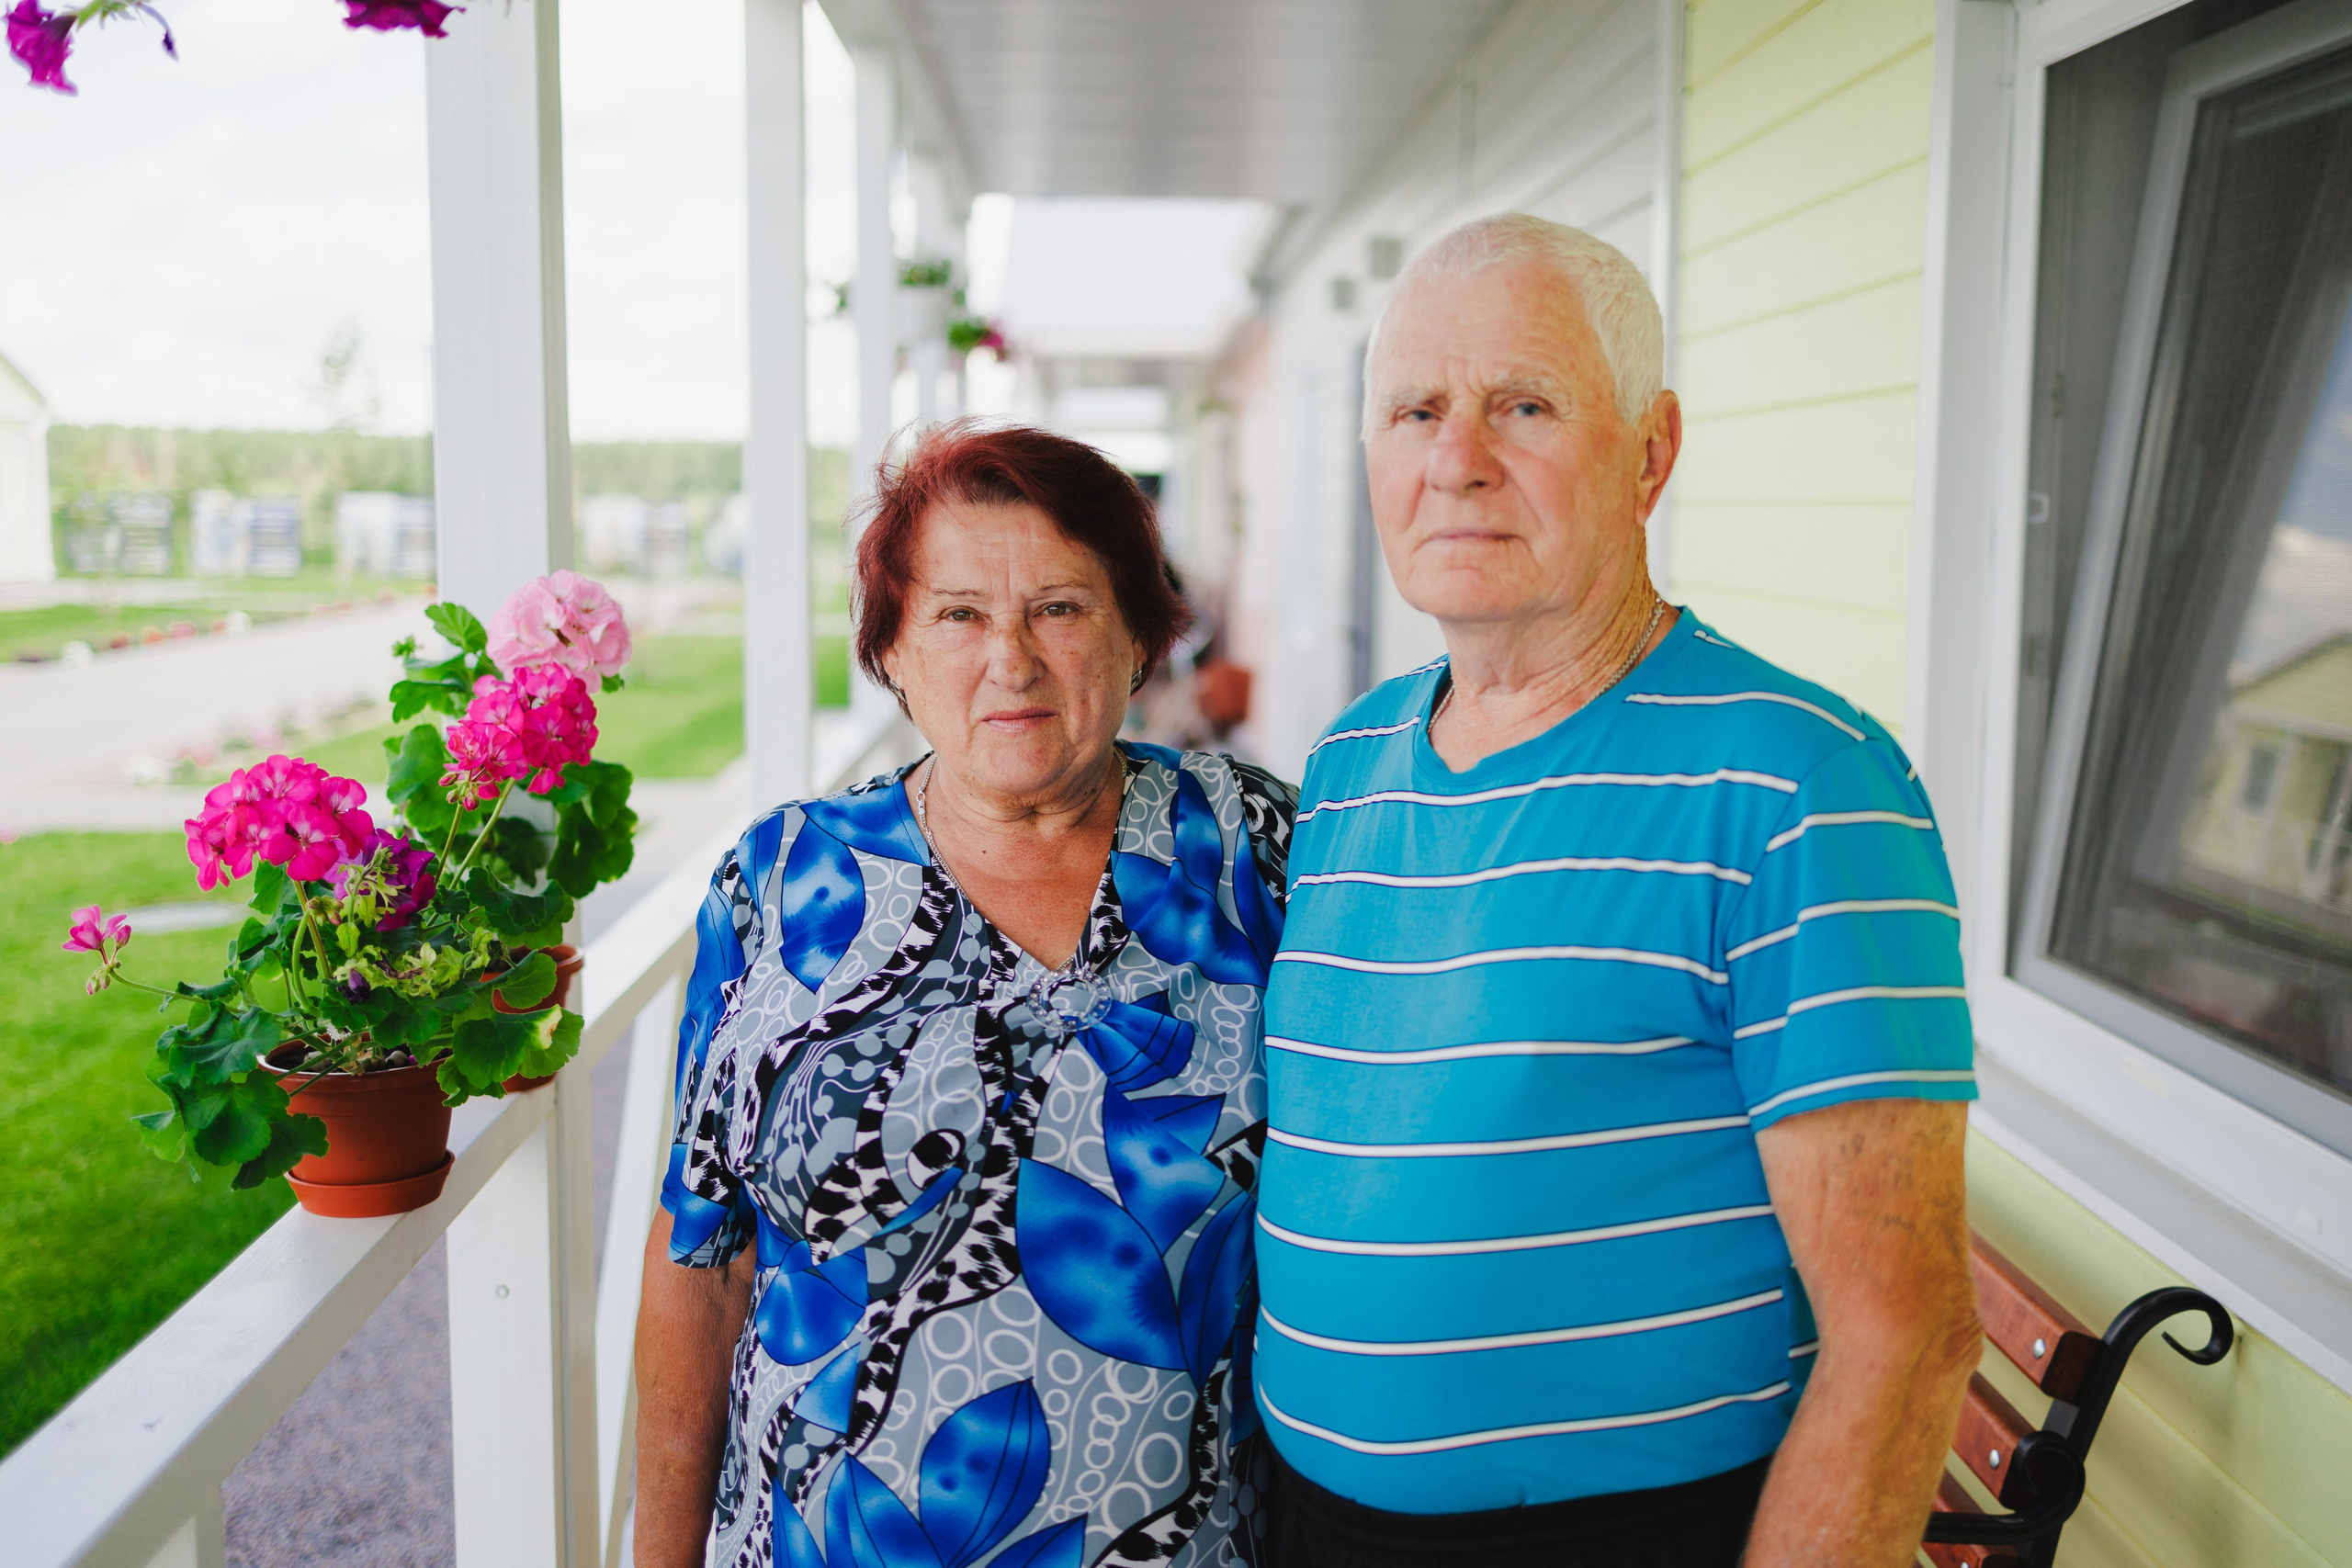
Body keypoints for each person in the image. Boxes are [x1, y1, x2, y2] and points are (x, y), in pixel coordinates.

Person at [1254, 214, 1981, 1568]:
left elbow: (1906, 1330)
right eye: (1415, 409)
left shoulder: (1799, 782)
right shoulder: (1351, 760)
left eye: (1521, 404)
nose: (1455, 460)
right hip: (1311, 1518)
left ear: (1650, 453)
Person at [633, 422, 1295, 1568]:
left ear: (1140, 634)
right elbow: (705, 1256)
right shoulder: (786, 883)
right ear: (890, 648)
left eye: (1060, 607)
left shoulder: (1253, 854)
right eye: (958, 614)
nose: (1013, 659)